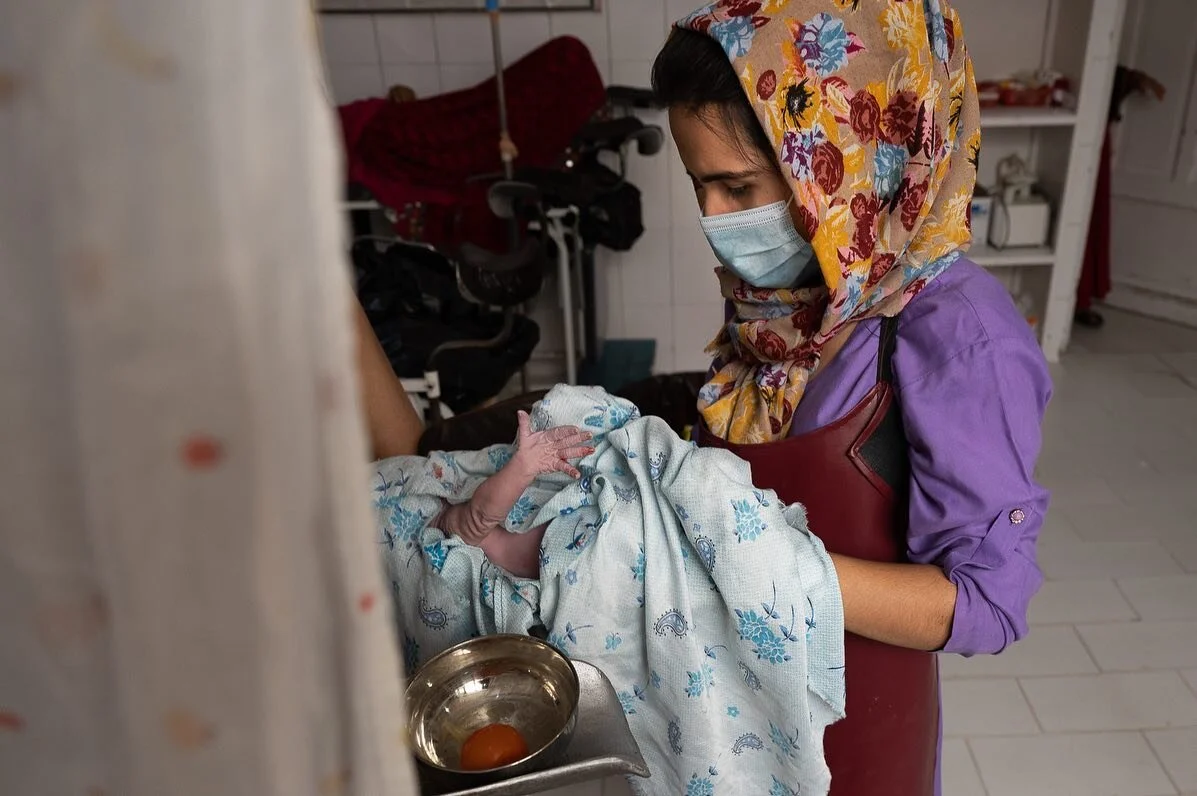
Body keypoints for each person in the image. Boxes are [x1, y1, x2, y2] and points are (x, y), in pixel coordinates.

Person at [651, 2, 1050, 795]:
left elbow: (981, 604)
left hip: (856, 725)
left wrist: (773, 568)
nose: (713, 221)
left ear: (851, 159)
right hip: (729, 702)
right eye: (700, 187)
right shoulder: (795, 294)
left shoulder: (956, 339)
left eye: (738, 188)